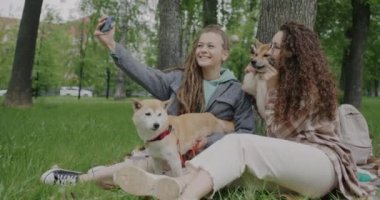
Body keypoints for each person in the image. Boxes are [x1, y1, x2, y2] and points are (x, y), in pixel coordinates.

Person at [113, 21, 376, 200]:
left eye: (274, 47)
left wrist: (267, 87)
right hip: (294, 167)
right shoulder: (277, 81)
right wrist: (261, 84)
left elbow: (279, 133)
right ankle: (167, 184)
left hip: (322, 163)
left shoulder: (309, 86)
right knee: (232, 171)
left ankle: (183, 192)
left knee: (240, 142)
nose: (267, 52)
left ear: (293, 52)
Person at [40, 17, 255, 187]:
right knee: (138, 166)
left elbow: (245, 135)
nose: (203, 50)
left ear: (224, 54)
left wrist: (209, 140)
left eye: (211, 46)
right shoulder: (179, 79)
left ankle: (106, 176)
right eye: (200, 45)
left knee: (144, 171)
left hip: (208, 161)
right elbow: (145, 74)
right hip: (169, 154)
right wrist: (112, 45)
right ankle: (76, 179)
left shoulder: (236, 90)